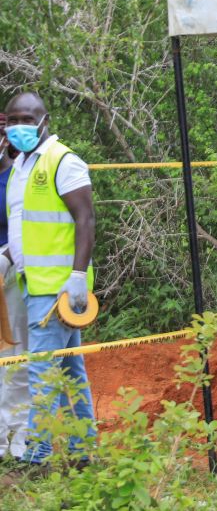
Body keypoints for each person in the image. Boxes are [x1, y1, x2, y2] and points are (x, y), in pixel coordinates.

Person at [2, 92, 97, 465]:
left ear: (45, 121)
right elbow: (26, 227)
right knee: (70, 373)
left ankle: (37, 456)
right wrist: (7, 257)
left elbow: (85, 219)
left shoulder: (64, 161)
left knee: (43, 374)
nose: (18, 126)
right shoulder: (21, 166)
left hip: (57, 289)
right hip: (34, 285)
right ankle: (82, 451)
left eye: (26, 118)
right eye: (12, 120)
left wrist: (77, 277)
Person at [0, 117, 31, 463]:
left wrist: (6, 256)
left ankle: (19, 436)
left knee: (16, 357)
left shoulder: (17, 177)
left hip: (12, 274)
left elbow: (26, 225)